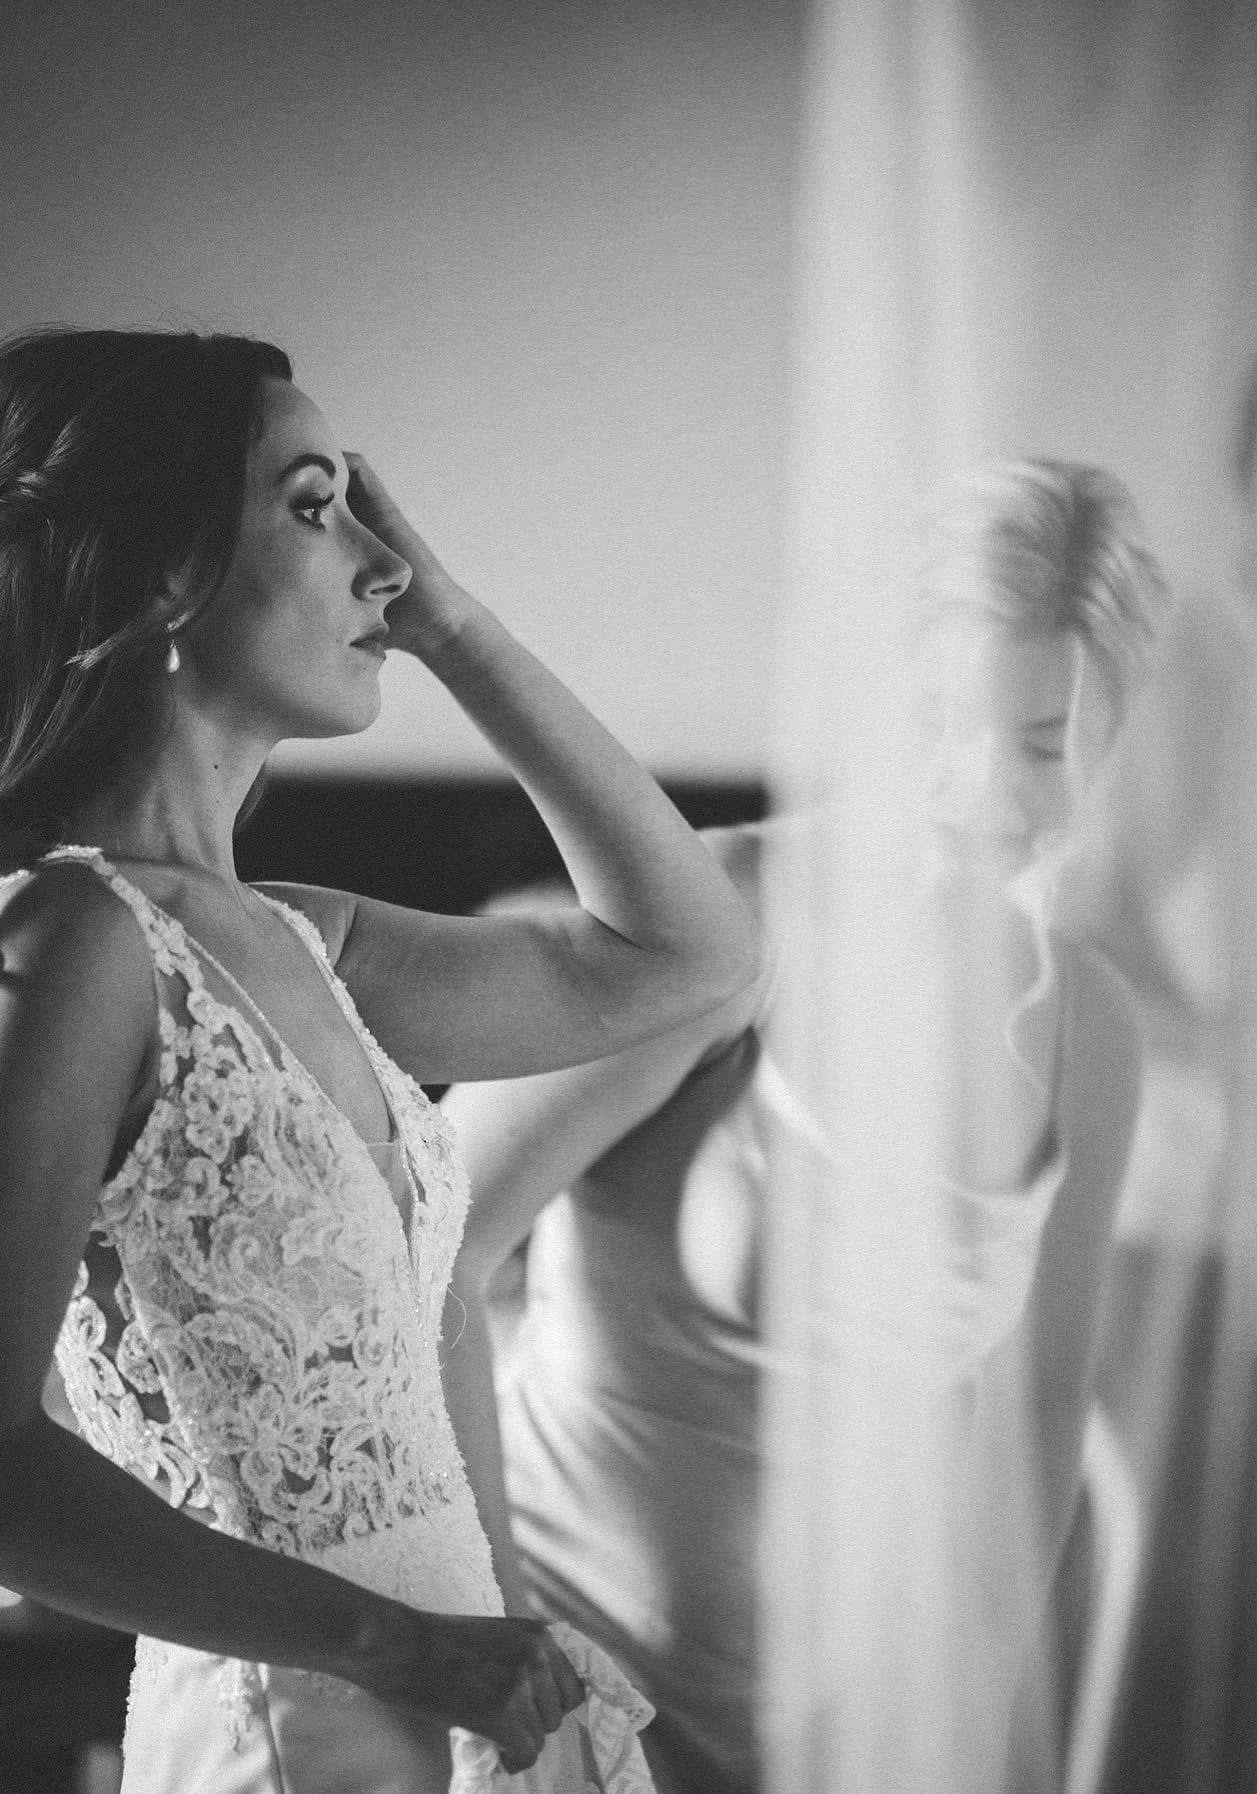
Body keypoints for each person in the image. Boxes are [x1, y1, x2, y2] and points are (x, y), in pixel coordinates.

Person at [0, 325, 760, 1794]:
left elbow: (692, 957)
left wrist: (457, 627)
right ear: (163, 572)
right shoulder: (76, 941)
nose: (380, 560)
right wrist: (402, 1648)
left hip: (457, 1722)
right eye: (311, 504)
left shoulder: (308, 941)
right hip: (286, 1734)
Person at [442, 459, 1169, 1793]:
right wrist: (494, 1651)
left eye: (1041, 740)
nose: (974, 783)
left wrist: (974, 1710)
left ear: (1109, 740)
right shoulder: (716, 915)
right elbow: (427, 1243)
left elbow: (1040, 1405)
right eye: (936, 716)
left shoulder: (1092, 1029)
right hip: (559, 1698)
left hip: (842, 1735)